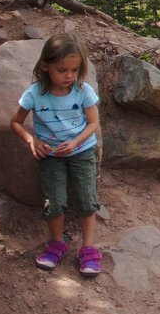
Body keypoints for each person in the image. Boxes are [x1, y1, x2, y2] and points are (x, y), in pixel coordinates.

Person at [10, 34, 103, 276]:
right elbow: (16, 123)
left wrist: (75, 142)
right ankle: (56, 243)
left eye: (75, 70)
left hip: (81, 151)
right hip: (50, 155)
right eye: (62, 70)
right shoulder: (35, 93)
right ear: (45, 65)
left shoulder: (83, 91)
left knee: (86, 198)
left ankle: (89, 247)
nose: (69, 76)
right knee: (54, 201)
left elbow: (93, 123)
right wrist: (32, 140)